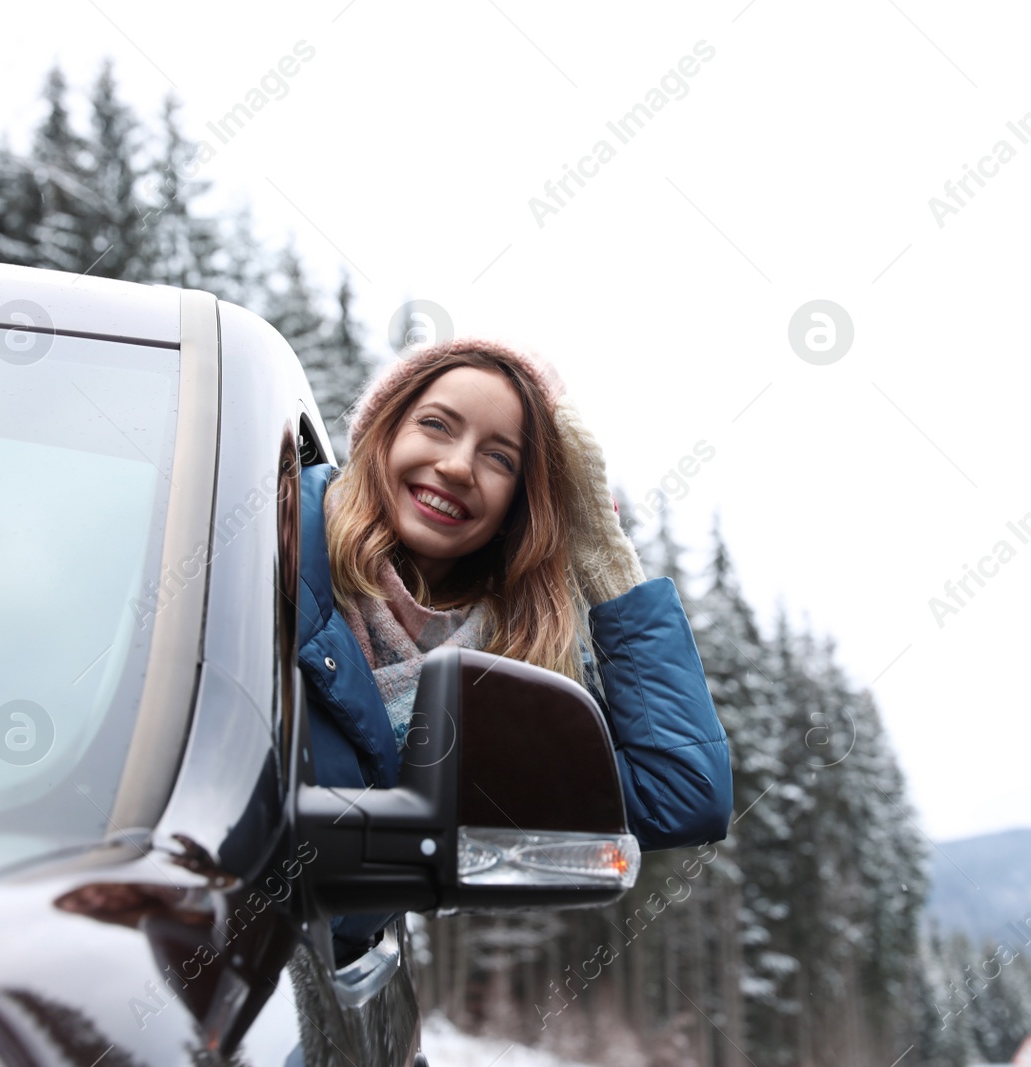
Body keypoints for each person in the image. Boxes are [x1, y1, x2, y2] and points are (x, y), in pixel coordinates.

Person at [294, 338, 732, 962]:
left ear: (519, 508)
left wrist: (602, 555)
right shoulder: (265, 549)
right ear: (383, 434)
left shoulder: (505, 677)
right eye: (436, 425)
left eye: (499, 458)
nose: (456, 466)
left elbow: (684, 793)